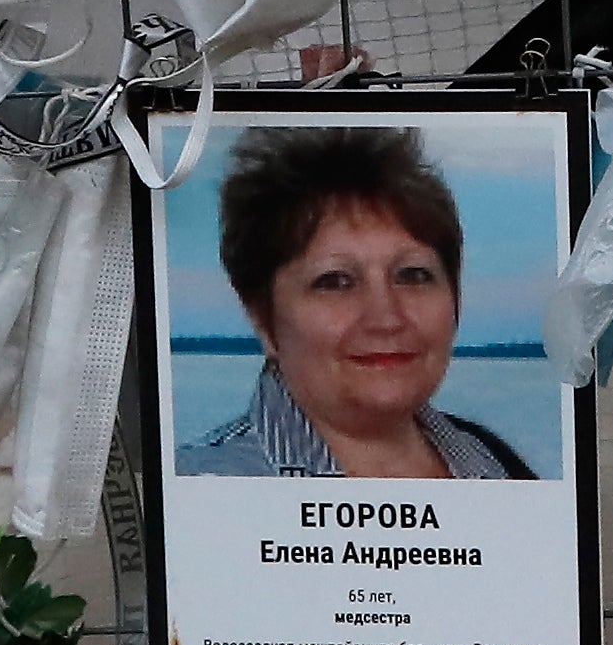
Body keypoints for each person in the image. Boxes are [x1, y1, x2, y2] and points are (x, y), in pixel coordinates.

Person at [175, 126, 538, 480]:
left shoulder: (502, 468)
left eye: (413, 275)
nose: (386, 318)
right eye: (335, 282)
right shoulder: (201, 489)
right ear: (263, 319)